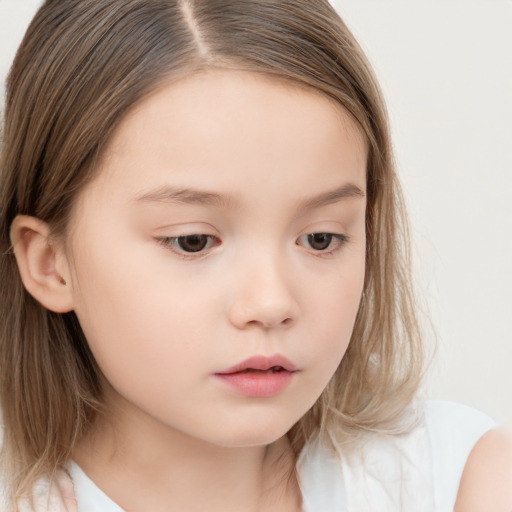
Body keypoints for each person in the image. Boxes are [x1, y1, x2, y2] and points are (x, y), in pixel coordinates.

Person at [0, 1, 510, 511]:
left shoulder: (459, 484)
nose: (270, 303)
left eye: (320, 238)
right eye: (193, 241)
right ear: (50, 262)